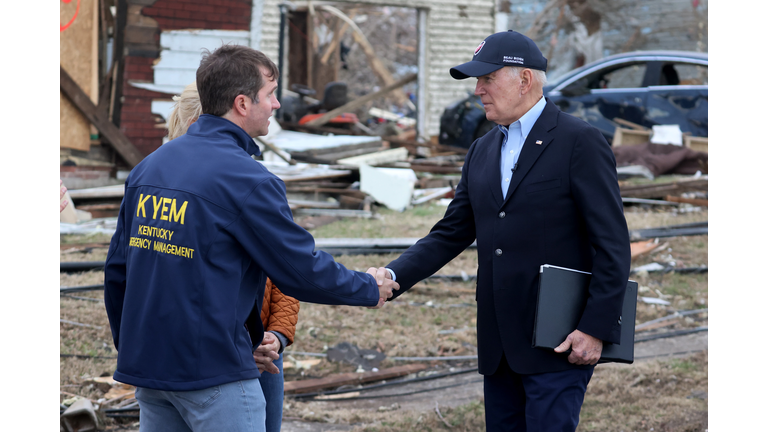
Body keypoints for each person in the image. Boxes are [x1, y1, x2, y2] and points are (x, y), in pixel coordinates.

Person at [104, 44, 398, 432]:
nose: (277, 105)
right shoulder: (248, 180)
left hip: (152, 375)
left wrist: (134, 350)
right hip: (214, 376)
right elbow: (300, 269)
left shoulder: (149, 168)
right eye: (270, 94)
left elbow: (118, 272)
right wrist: (367, 288)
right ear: (242, 103)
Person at [370, 30, 631, 431]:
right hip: (499, 344)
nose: (478, 90)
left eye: (487, 79)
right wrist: (392, 275)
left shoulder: (580, 142)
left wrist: (595, 328)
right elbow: (450, 233)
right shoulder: (482, 150)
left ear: (524, 80)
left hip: (559, 339)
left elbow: (612, 244)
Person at [166, 83, 299, 432]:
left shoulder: (249, 182)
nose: (275, 104)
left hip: (264, 352)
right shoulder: (173, 183)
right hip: (223, 359)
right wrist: (240, 348)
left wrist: (277, 336)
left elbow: (287, 272)